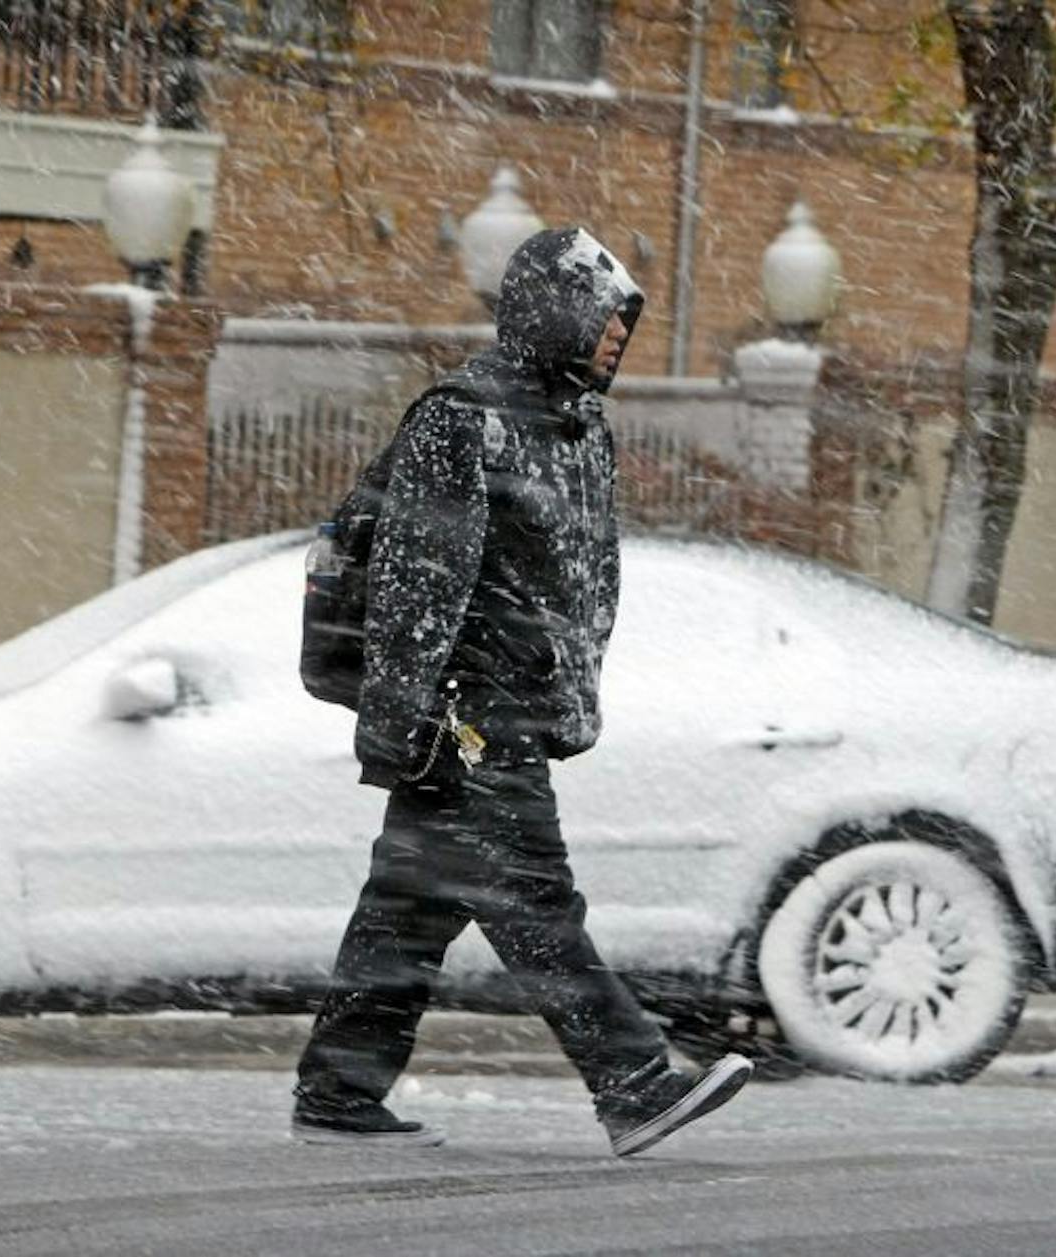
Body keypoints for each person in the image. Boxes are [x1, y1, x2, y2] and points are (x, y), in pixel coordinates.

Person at [291, 226, 753, 1157]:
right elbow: (419, 580)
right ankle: (631, 1081)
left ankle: (340, 1089)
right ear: (555, 311)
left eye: (624, 322)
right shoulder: (465, 418)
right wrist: (409, 714)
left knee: (409, 904)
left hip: (513, 709)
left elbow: (588, 577)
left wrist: (567, 693)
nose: (617, 338)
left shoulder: (577, 428)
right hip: (463, 713)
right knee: (537, 899)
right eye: (604, 318)